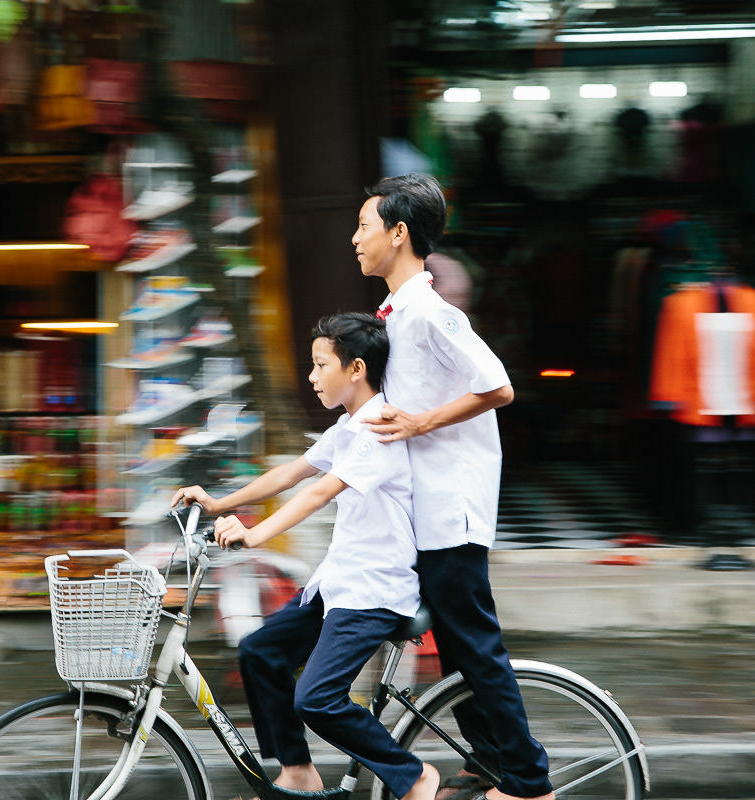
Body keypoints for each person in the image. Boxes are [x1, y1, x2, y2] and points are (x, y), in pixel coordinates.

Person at [172, 312, 440, 800]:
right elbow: (289, 475)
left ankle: (413, 776)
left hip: (373, 591)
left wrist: (255, 535)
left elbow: (319, 493)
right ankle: (297, 771)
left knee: (316, 698)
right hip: (339, 584)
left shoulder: (380, 426)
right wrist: (217, 502)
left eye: (320, 365)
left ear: (356, 369)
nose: (312, 376)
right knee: (260, 653)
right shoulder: (348, 427)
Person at [353, 173, 555, 800]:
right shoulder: (399, 312)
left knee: (475, 644)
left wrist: (420, 421)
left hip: (453, 507)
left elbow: (498, 385)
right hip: (428, 507)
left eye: (364, 226)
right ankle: (489, 757)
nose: (355, 238)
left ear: (399, 232)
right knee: (455, 643)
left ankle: (527, 780)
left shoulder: (432, 313)